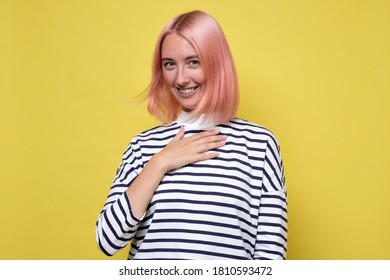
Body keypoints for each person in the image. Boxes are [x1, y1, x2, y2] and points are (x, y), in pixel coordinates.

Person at [96, 10, 287, 260]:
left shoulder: (260, 144)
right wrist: (159, 163)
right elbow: (107, 240)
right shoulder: (142, 146)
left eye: (193, 62)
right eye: (169, 64)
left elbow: (270, 256)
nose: (181, 78)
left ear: (217, 62)